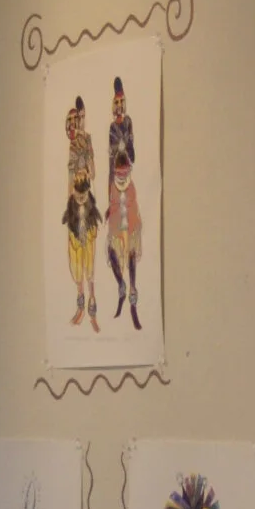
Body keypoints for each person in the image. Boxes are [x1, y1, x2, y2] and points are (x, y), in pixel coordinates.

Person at [106, 75, 142, 330]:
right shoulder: (111, 127)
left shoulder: (127, 123)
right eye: (116, 103)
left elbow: (132, 155)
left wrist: (125, 145)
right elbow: (111, 163)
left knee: (130, 246)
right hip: (115, 185)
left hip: (126, 183)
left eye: (121, 102)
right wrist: (109, 198)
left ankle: (133, 292)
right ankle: (121, 284)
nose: (119, 107)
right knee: (112, 247)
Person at [63, 98, 100, 328]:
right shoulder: (72, 147)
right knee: (76, 262)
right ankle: (80, 308)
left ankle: (92, 310)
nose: (78, 123)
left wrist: (87, 150)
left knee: (90, 261)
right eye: (77, 119)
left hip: (87, 206)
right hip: (75, 210)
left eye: (80, 118)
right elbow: (70, 183)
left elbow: (93, 173)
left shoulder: (86, 142)